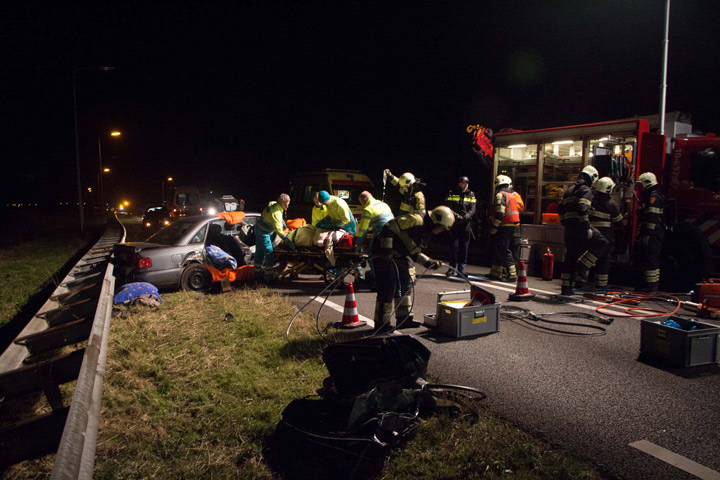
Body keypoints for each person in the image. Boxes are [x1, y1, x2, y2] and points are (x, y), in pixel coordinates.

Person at [372, 206, 454, 332]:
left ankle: (404, 319)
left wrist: (429, 263)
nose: (440, 231)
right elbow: (390, 226)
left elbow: (412, 250)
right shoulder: (416, 220)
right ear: (436, 221)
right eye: (441, 228)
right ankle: (381, 324)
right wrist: (387, 250)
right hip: (382, 252)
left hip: (400, 254)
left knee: (406, 283)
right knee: (388, 287)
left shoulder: (425, 229)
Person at [557, 165, 608, 295]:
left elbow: (560, 208)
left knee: (570, 257)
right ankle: (583, 265)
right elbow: (582, 208)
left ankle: (566, 288)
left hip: (569, 229)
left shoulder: (569, 190)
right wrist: (586, 227)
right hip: (580, 227)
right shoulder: (586, 190)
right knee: (602, 242)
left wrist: (565, 223)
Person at [589, 177, 624, 290]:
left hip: (591, 236)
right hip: (606, 237)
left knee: (588, 259)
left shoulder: (591, 201)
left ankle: (581, 282)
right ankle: (601, 286)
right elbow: (619, 222)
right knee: (603, 261)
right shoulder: (611, 204)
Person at [635, 172, 665, 292]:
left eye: (641, 185)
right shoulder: (651, 196)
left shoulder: (654, 197)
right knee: (646, 258)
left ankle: (651, 287)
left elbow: (652, 217)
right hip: (651, 233)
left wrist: (648, 234)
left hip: (653, 234)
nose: (640, 189)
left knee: (651, 259)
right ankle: (646, 285)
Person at [254, 194, 292, 283]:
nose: (287, 206)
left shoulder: (274, 204)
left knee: (259, 251)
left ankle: (257, 273)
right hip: (263, 232)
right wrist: (286, 239)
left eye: (288, 203)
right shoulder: (276, 213)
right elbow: (278, 229)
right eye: (286, 204)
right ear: (282, 203)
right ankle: (269, 277)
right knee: (269, 252)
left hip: (260, 229)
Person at [488, 175, 520, 281]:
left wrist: (494, 228)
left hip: (504, 226)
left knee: (503, 249)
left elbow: (499, 214)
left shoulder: (500, 195)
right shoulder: (512, 195)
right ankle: (496, 273)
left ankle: (511, 274)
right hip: (513, 226)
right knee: (503, 249)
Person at [443, 176, 476, 276]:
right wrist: (457, 216)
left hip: (465, 225)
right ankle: (451, 268)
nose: (465, 185)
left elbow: (473, 209)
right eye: (463, 183)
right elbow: (448, 206)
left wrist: (466, 216)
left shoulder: (471, 194)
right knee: (453, 247)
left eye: (466, 183)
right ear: (459, 184)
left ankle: (461, 269)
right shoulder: (452, 193)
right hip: (454, 224)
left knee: (464, 248)